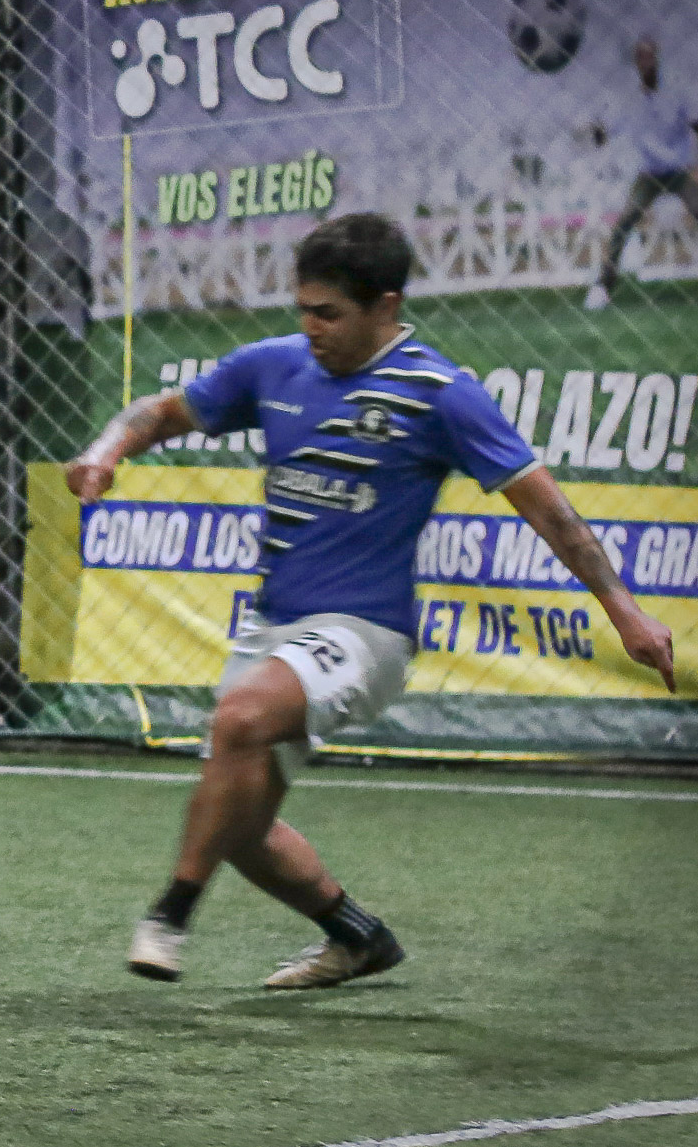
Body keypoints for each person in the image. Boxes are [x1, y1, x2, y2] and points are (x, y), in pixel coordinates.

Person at [66, 213, 677, 989]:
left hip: (366, 634)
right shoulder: (272, 365)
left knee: (239, 718)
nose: (309, 327)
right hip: (272, 629)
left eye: (328, 313)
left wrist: (624, 611)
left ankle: (169, 913)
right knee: (236, 823)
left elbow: (551, 513)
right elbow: (160, 412)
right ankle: (356, 936)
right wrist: (104, 451)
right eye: (302, 309)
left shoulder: (440, 394)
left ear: (385, 306)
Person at [585, 35, 698, 311]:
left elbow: (695, 123)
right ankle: (602, 287)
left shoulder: (676, 94)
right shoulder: (629, 102)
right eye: (640, 57)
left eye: (649, 56)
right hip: (649, 175)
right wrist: (595, 129)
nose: (645, 62)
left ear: (657, 59)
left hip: (679, 171)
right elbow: (604, 133)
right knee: (624, 223)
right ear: (636, 63)